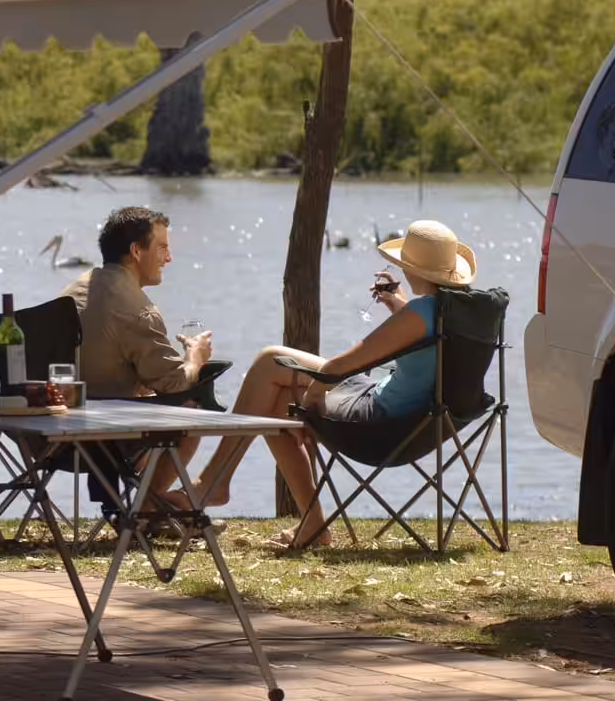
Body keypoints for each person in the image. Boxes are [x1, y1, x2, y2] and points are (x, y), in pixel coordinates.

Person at [163, 219, 477, 548]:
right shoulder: (457, 309)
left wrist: (310, 401)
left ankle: (213, 482)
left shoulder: (419, 313)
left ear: (411, 267)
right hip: (426, 420)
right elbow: (423, 337)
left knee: (269, 360)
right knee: (276, 393)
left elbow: (345, 363)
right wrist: (399, 307)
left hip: (382, 421)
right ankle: (309, 525)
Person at [63, 206, 213, 496]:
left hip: (47, 434)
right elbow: (175, 383)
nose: (168, 258)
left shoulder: (73, 289)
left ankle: (138, 508)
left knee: (148, 396)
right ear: (135, 251)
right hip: (103, 436)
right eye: (162, 248)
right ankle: (149, 509)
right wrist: (194, 357)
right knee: (190, 410)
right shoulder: (137, 309)